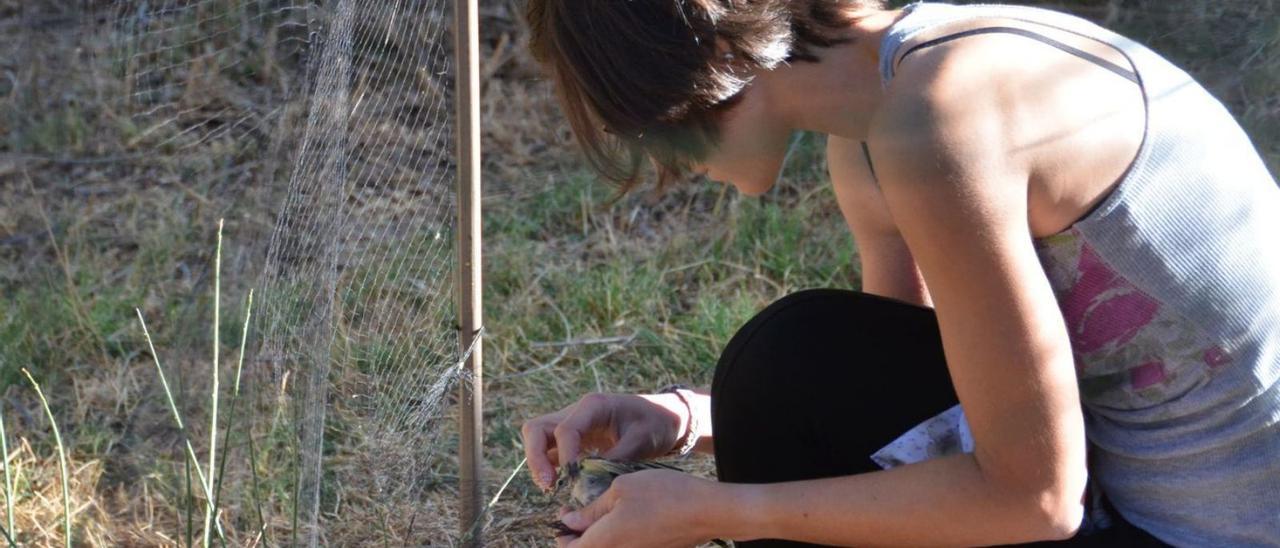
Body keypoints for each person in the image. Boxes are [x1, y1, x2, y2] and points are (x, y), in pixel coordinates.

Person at [518, 1, 1280, 546]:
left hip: (1209, 529)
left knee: (784, 362)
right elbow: (919, 410)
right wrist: (687, 423)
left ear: (709, 73)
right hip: (1112, 475)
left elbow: (1032, 502)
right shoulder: (888, 106)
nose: (663, 163)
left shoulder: (939, 127)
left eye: (644, 129)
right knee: (790, 372)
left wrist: (717, 512)